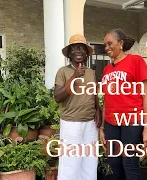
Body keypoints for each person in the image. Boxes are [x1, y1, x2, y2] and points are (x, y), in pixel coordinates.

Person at [99, 28, 147, 180]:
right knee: (114, 161)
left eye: (110, 43)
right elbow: (106, 100)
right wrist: (102, 127)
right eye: (105, 45)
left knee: (129, 162)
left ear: (121, 43)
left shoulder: (136, 61)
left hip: (132, 120)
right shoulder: (106, 70)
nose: (107, 48)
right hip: (111, 121)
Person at [54, 34, 102, 180]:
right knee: (70, 162)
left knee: (89, 160)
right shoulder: (63, 71)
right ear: (69, 53)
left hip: (90, 123)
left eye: (81, 48)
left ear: (86, 52)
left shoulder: (91, 72)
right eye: (74, 48)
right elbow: (58, 97)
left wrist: (98, 110)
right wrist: (74, 76)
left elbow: (93, 94)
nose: (78, 51)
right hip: (71, 123)